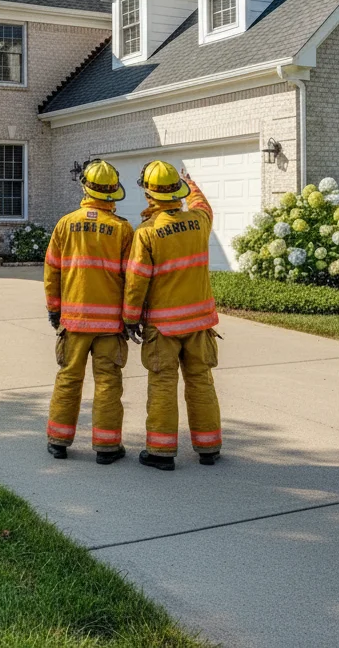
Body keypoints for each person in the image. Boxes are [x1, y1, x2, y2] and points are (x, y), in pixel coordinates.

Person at [122, 160, 222, 471]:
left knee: (163, 384)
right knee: (201, 381)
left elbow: (136, 280)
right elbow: (203, 204)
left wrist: (129, 318)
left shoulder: (148, 233)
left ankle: (161, 452)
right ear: (176, 191)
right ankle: (209, 447)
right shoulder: (199, 221)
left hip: (163, 326)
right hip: (199, 322)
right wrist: (190, 182)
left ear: (149, 195)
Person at [43, 159, 134, 464]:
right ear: (112, 193)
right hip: (110, 324)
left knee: (69, 378)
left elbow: (52, 272)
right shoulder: (122, 229)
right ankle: (107, 447)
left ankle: (58, 441)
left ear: (85, 187)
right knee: (108, 381)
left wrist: (55, 310)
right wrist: (130, 317)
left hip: (75, 321)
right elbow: (131, 279)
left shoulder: (65, 225)